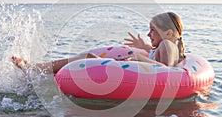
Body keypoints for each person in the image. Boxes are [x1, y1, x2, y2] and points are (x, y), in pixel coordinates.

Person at [12, 12, 185, 73]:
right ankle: (39, 71)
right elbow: (160, 59)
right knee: (87, 59)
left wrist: (139, 59)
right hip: (128, 69)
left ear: (168, 33)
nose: (148, 33)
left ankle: (36, 68)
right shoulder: (168, 45)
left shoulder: (167, 45)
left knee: (88, 56)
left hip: (126, 71)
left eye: (153, 30)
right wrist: (145, 47)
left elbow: (168, 70)